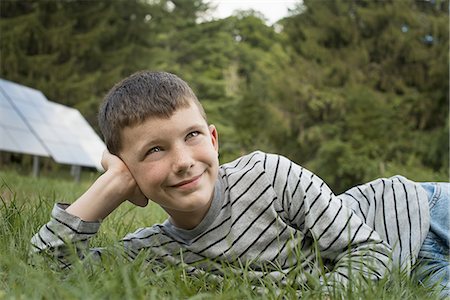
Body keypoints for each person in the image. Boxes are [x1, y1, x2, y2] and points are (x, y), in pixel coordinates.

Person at [30, 71, 448, 296]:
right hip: (410, 272)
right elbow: (45, 269)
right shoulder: (153, 251)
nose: (183, 162)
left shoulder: (266, 176)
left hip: (418, 211)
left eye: (192, 136)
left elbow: (368, 249)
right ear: (129, 171)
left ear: (213, 139)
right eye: (153, 151)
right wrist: (112, 183)